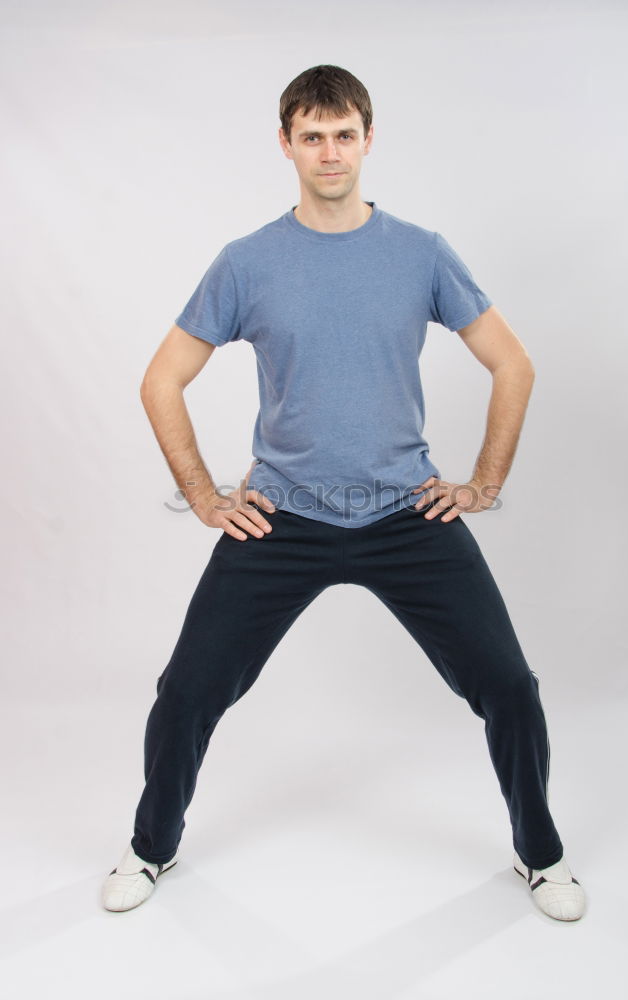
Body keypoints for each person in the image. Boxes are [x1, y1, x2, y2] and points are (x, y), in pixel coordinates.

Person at [102, 64, 585, 921]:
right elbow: (160, 381)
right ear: (285, 144)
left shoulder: (421, 253)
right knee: (186, 691)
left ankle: (540, 858)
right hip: (282, 519)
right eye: (312, 136)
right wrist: (208, 497)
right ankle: (150, 850)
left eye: (344, 134)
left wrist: (484, 483)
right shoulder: (246, 263)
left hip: (408, 516)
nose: (330, 151)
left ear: (368, 138)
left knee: (510, 687)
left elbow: (513, 363)